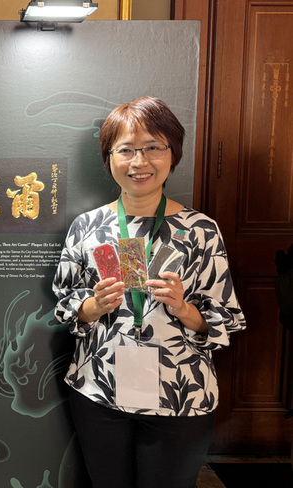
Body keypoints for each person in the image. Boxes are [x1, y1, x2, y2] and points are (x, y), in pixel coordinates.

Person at [52, 96, 246, 488]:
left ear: (172, 154)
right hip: (100, 389)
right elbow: (65, 301)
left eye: (153, 147)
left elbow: (226, 317)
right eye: (125, 150)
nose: (139, 162)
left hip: (180, 395)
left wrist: (184, 308)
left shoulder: (201, 230)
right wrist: (93, 306)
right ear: (109, 158)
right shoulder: (87, 227)